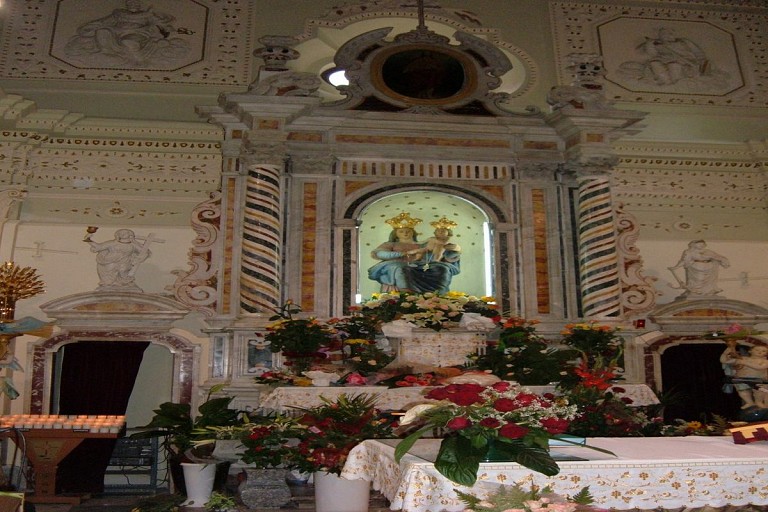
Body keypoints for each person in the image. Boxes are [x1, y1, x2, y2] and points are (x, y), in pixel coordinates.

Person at [64, 0, 190, 67]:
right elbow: (102, 22)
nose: (133, 4)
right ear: (127, 5)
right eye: (130, 3)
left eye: (135, 3)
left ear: (139, 5)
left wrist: (167, 29)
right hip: (117, 33)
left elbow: (163, 24)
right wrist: (88, 28)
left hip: (139, 34)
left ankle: (139, 58)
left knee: (128, 42)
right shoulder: (118, 14)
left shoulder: (147, 16)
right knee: (102, 32)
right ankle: (106, 52)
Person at [368, 213, 461, 294]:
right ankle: (405, 295)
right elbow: (379, 254)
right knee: (401, 268)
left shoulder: (422, 244)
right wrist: (401, 254)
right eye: (401, 231)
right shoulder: (390, 244)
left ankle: (438, 296)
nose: (405, 233)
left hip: (420, 266)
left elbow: (440, 252)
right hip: (395, 265)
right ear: (395, 233)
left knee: (442, 268)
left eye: (408, 231)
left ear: (413, 232)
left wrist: (455, 249)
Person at [84, 228, 151, 290]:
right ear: (118, 235)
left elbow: (144, 252)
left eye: (126, 233)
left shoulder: (133, 244)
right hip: (110, 261)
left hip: (125, 262)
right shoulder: (112, 243)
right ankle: (109, 284)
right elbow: (99, 246)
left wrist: (139, 259)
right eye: (121, 233)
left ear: (130, 235)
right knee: (108, 279)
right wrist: (88, 239)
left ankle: (124, 283)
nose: (124, 234)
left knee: (123, 272)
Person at [720, 341, 768, 410]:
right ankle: (749, 402)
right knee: (742, 391)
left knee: (759, 396)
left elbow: (759, 367)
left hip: (759, 380)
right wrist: (726, 352)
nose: (760, 352)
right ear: (750, 351)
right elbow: (724, 361)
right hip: (741, 379)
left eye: (764, 351)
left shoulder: (765, 361)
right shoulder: (743, 358)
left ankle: (760, 404)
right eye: (757, 350)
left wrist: (744, 362)